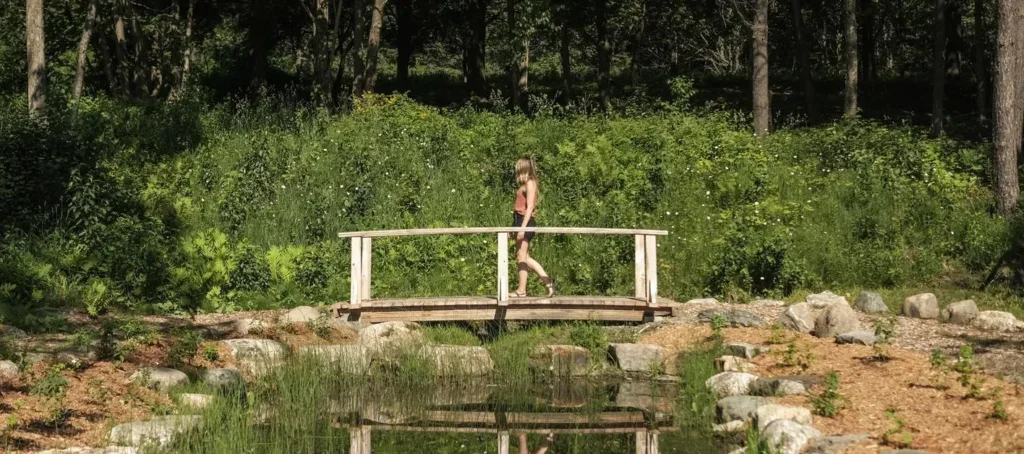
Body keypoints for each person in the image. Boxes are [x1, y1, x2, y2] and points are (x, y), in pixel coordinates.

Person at [511, 157, 555, 298]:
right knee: (524, 257)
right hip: (519, 220)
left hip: (525, 221)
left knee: (521, 256)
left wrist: (522, 228)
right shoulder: (525, 183)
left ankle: (522, 290)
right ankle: (548, 283)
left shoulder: (530, 182)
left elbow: (529, 207)